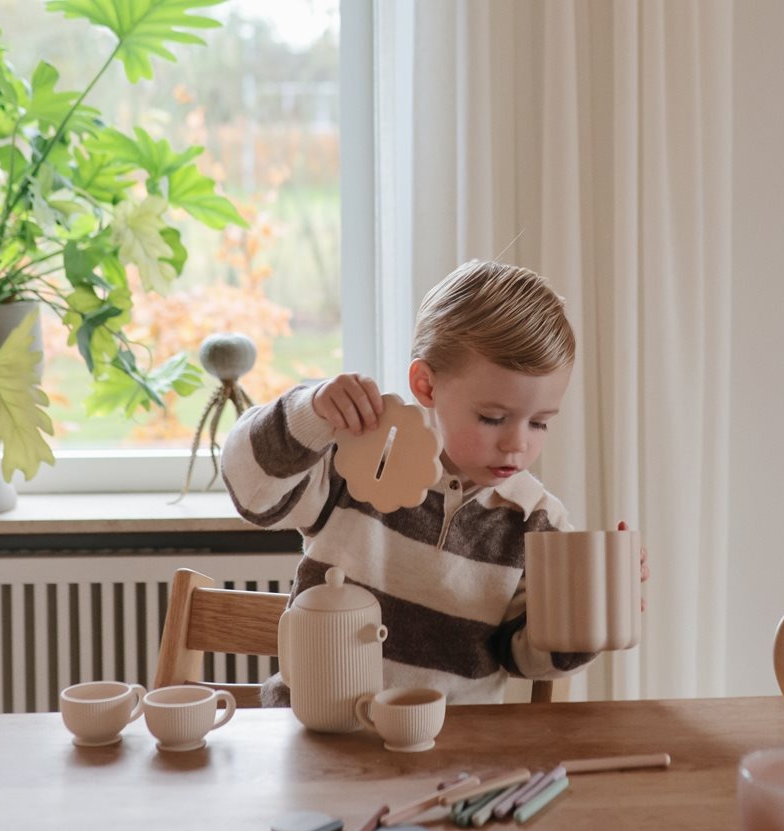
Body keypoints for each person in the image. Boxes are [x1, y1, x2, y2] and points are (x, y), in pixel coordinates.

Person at [221, 259, 648, 704]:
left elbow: (520, 658)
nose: (516, 445)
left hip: (449, 753)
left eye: (540, 424)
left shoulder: (535, 521)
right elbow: (252, 493)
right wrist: (309, 413)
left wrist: (587, 616)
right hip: (316, 737)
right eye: (493, 418)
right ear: (426, 386)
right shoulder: (357, 456)